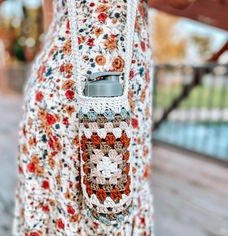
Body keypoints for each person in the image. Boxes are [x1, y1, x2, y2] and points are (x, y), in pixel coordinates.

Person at [12, 0, 195, 235]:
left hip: (52, 84)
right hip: (115, 81)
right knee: (108, 203)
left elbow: (50, 13)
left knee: (65, 198)